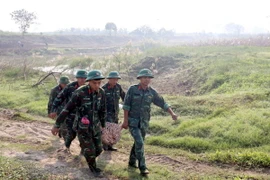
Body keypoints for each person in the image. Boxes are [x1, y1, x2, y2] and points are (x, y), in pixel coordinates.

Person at [121, 68, 178, 175]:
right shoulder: (132, 90)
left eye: (148, 78)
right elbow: (126, 106)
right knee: (139, 142)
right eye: (144, 77)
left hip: (144, 123)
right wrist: (125, 121)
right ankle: (143, 167)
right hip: (132, 122)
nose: (146, 79)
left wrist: (172, 113)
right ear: (140, 78)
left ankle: (131, 161)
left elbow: (163, 103)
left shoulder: (152, 92)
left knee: (138, 143)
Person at [51, 70, 106, 177]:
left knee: (99, 149)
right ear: (89, 81)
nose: (97, 85)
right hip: (83, 127)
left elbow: (103, 110)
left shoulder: (101, 93)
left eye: (99, 83)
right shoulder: (80, 92)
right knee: (90, 151)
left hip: (95, 127)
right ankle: (93, 168)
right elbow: (67, 109)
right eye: (95, 83)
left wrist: (103, 125)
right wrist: (57, 125)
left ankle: (85, 149)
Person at [50, 70, 87, 151]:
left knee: (83, 133)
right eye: (80, 78)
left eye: (84, 78)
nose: (82, 80)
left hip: (84, 115)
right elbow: (59, 98)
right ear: (77, 78)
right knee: (71, 133)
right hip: (71, 114)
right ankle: (67, 146)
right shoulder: (70, 87)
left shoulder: (89, 87)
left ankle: (83, 151)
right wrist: (53, 110)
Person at [102, 71, 125, 151]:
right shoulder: (103, 89)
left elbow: (124, 97)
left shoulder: (118, 87)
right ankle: (105, 145)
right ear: (109, 79)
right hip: (106, 113)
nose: (115, 81)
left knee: (114, 129)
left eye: (116, 79)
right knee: (107, 129)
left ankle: (110, 145)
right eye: (113, 79)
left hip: (115, 113)